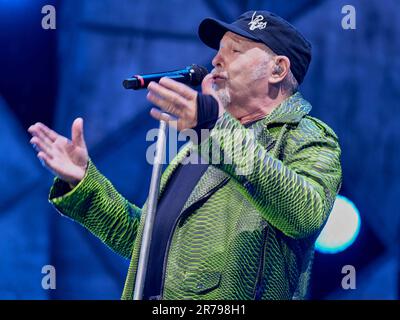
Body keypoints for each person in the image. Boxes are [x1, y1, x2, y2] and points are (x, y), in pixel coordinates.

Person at [28, 11, 342, 300]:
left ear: (278, 69)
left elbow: (306, 213)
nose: (217, 60)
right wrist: (84, 182)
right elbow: (147, 244)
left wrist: (215, 128)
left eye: (235, 51)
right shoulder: (202, 143)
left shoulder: (306, 136)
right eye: (219, 50)